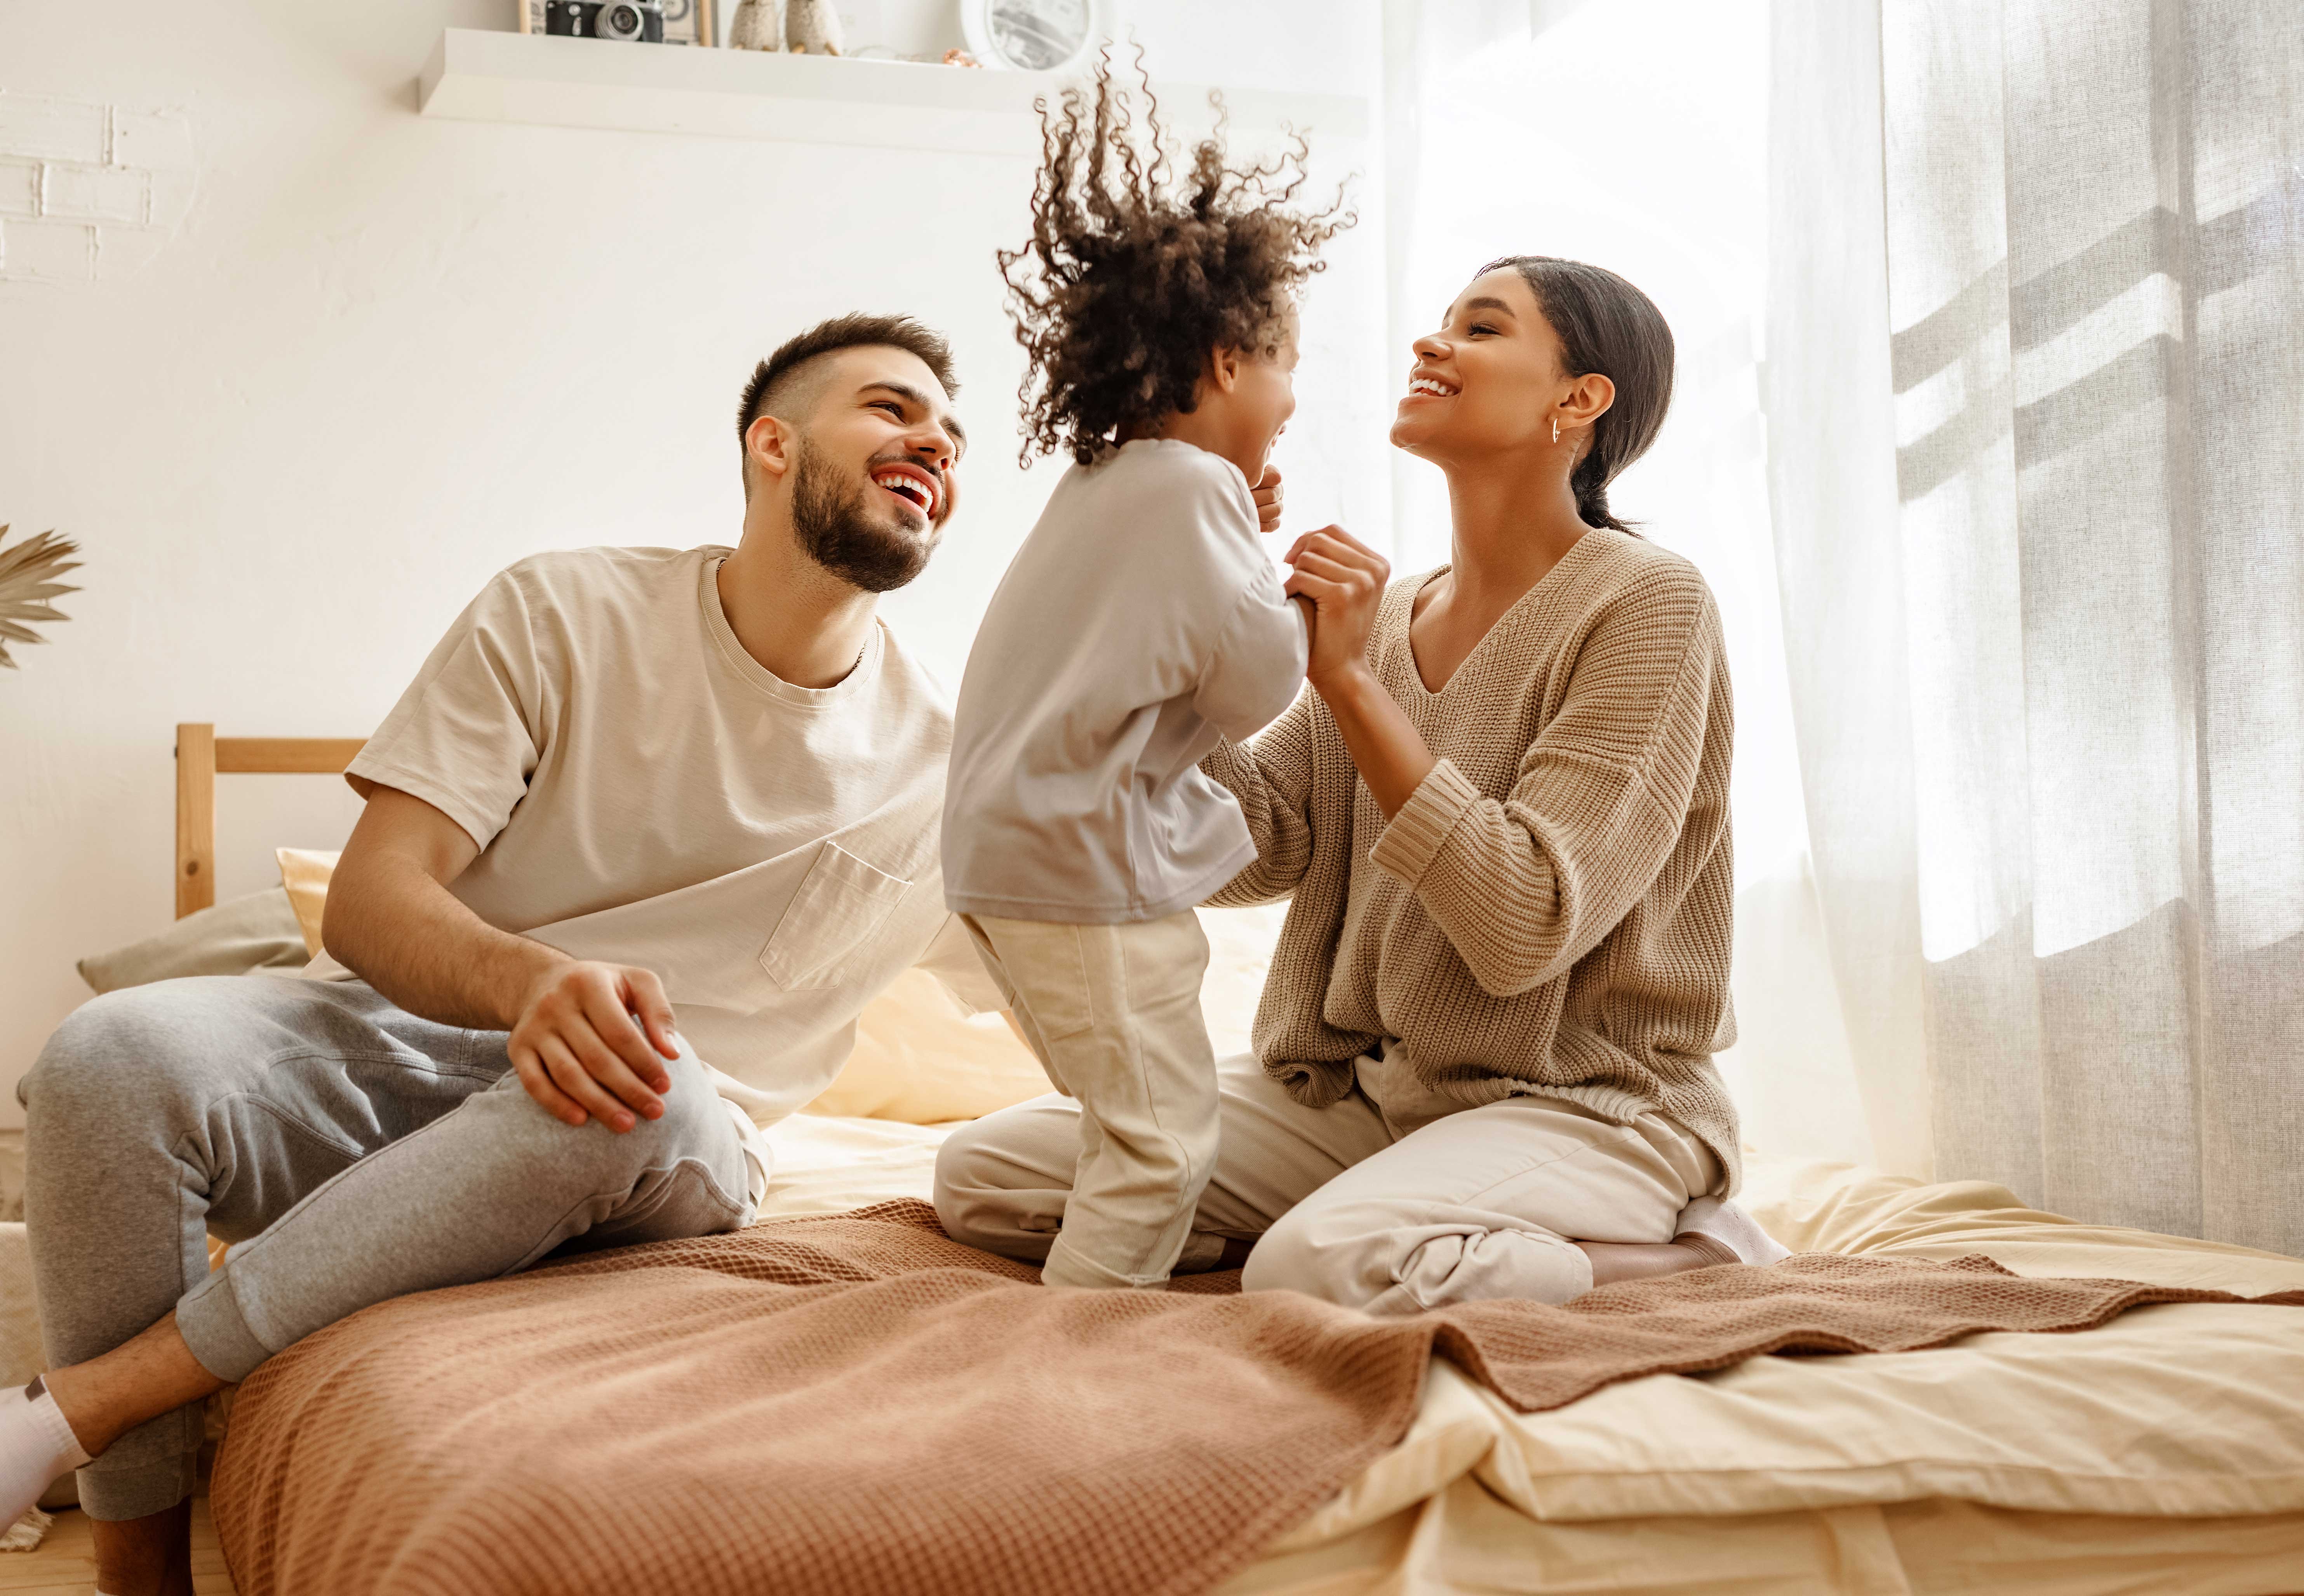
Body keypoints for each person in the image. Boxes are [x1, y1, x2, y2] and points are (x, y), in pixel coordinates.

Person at [7, 313, 1005, 1595]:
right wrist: (531, 983)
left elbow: (1126, 927)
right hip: (407, 1047)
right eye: (891, 407)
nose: (932, 438)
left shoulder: (961, 758)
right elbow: (371, 901)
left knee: (630, 1077)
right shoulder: (565, 611)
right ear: (773, 443)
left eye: (951, 433)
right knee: (104, 1056)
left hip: (656, 1141)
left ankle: (67, 1409)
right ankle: (139, 1579)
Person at [937, 257, 1790, 1312]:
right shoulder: (1388, 617)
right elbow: (1267, 842)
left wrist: (1341, 679)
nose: (1432, 344)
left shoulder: (1647, 603)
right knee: (985, 1179)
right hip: (1368, 1098)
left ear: (1578, 400)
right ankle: (1407, 1211)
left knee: (1315, 1265)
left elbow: (1524, 922)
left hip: (1586, 1106)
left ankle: (1690, 1260)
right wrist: (1189, 605)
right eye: (1438, 324)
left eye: (1479, 329)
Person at [938, 59, 1345, 1292]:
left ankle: (1098, 1304)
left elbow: (1161, 640)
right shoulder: (1197, 492)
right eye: (1284, 369)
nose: (1289, 402)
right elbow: (1253, 686)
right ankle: (1077, 1368)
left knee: (1128, 1124)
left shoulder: (1110, 483)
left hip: (1001, 863)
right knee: (1161, 1147)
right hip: (1083, 870)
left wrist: (1239, 539)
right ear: (1227, 361)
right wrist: (1307, 607)